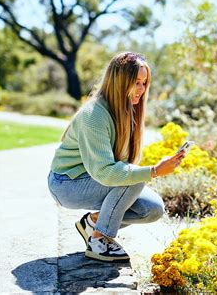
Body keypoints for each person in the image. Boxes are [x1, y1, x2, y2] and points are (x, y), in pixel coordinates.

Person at [47, 52, 185, 263]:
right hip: (67, 184)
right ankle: (99, 240)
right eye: (136, 82)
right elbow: (107, 173)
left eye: (144, 82)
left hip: (93, 179)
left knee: (153, 210)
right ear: (120, 81)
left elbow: (117, 169)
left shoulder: (127, 110)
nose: (141, 89)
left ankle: (93, 223)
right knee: (135, 178)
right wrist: (154, 171)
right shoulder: (94, 115)